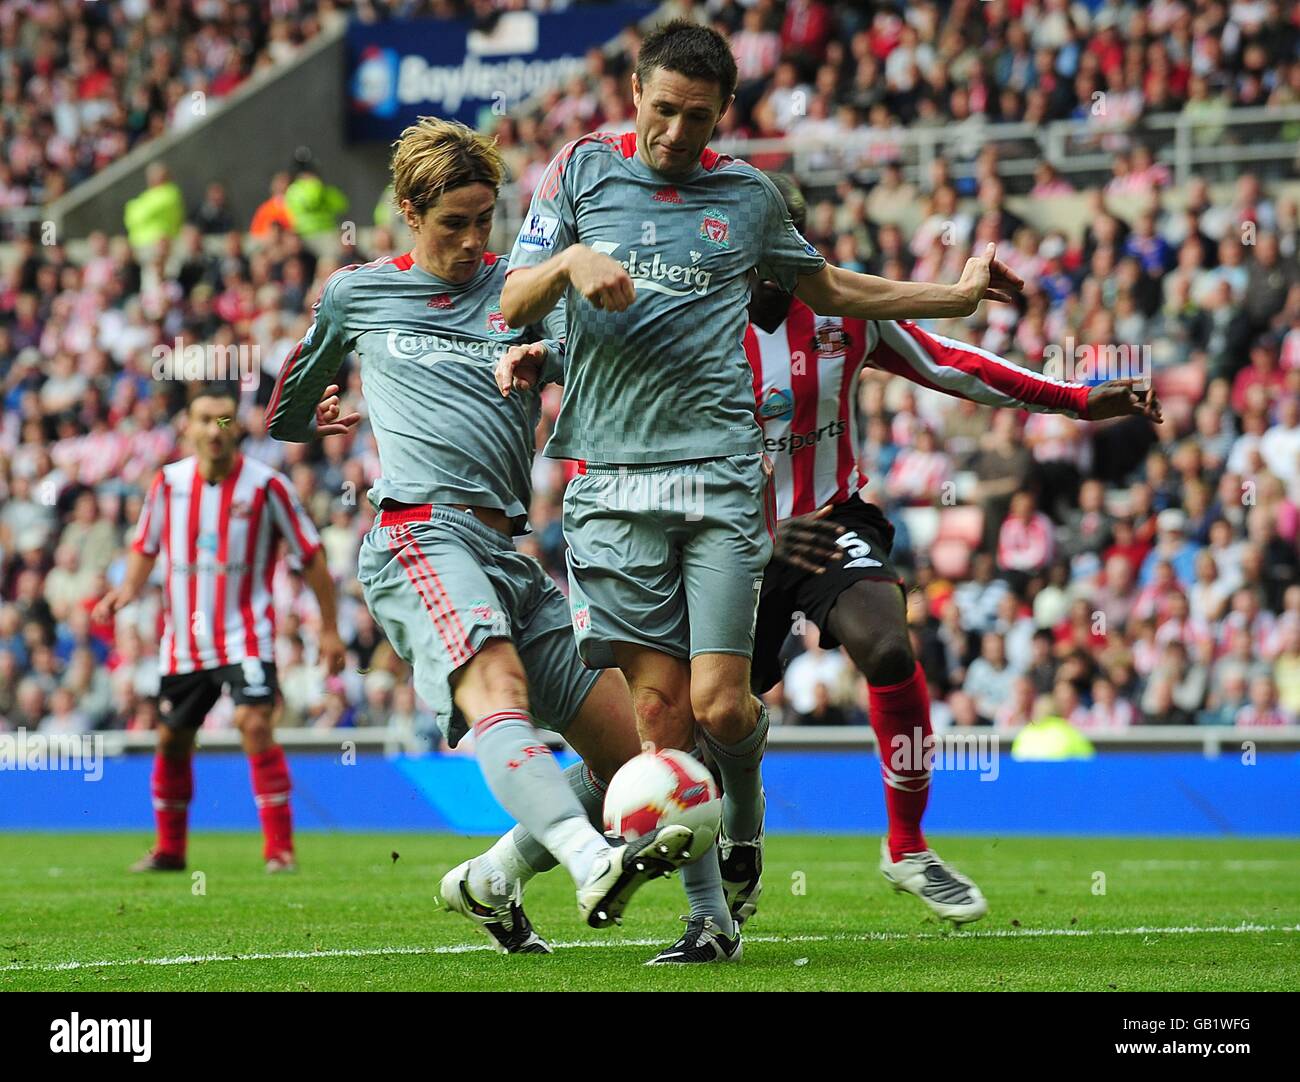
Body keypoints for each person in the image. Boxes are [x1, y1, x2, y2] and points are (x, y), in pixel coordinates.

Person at [496, 18, 1025, 964]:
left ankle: (742, 828)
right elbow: (510, 298)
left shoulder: (743, 197)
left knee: (725, 707)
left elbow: (826, 288)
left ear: (723, 114)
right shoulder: (578, 173)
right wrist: (572, 265)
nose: (675, 135)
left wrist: (950, 296)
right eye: (662, 112)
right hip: (611, 483)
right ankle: (713, 919)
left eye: (696, 119)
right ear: (634, 94)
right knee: (661, 721)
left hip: (722, 480)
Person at [266, 117, 695, 947]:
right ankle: (585, 859)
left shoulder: (524, 292)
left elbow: (599, 370)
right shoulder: (358, 292)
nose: (471, 242)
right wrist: (312, 418)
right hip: (419, 534)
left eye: (483, 221)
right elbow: (285, 405)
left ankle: (493, 878)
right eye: (451, 224)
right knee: (498, 690)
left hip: (514, 551)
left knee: (631, 755)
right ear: (408, 212)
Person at [743, 173, 1163, 922]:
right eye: (762, 251)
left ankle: (907, 847)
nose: (778, 268)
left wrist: (1072, 399)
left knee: (889, 648)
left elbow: (953, 365)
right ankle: (705, 853)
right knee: (718, 714)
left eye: (791, 250)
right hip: (729, 544)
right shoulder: (689, 327)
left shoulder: (843, 314)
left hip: (831, 522)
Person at [93, 385, 346, 874]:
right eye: (205, 420)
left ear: (238, 427)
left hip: (245, 634)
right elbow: (145, 548)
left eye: (225, 420)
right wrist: (125, 592)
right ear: (187, 426)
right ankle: (170, 849)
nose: (215, 430)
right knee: (171, 739)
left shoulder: (266, 486)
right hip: (183, 642)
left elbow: (311, 556)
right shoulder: (167, 484)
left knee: (253, 724)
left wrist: (330, 631)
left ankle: (279, 850)